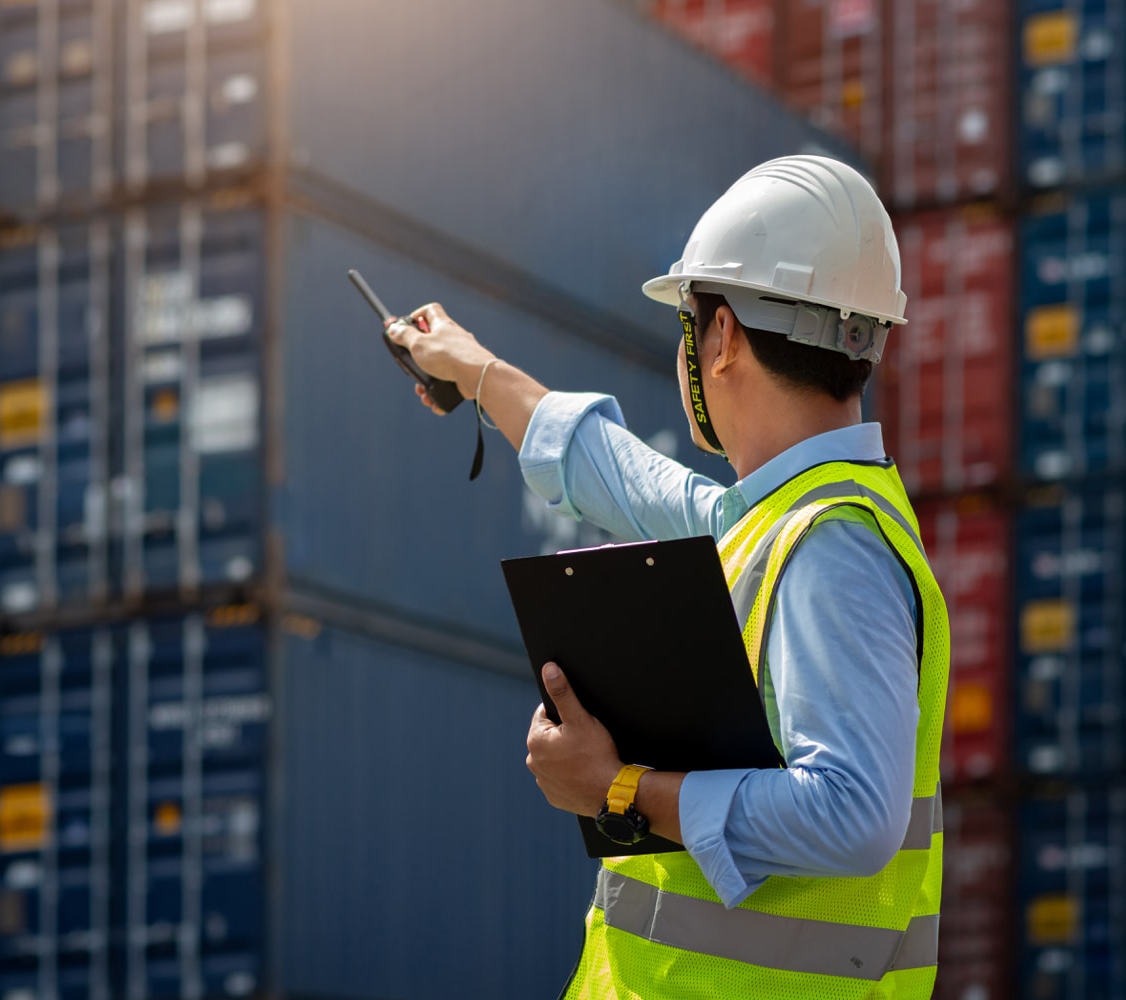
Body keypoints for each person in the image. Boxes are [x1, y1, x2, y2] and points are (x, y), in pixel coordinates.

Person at [385, 155, 948, 998]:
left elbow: (854, 816)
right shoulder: (776, 519)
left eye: (690, 321)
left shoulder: (832, 544)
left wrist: (619, 790)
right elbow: (617, 474)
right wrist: (473, 369)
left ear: (719, 339)